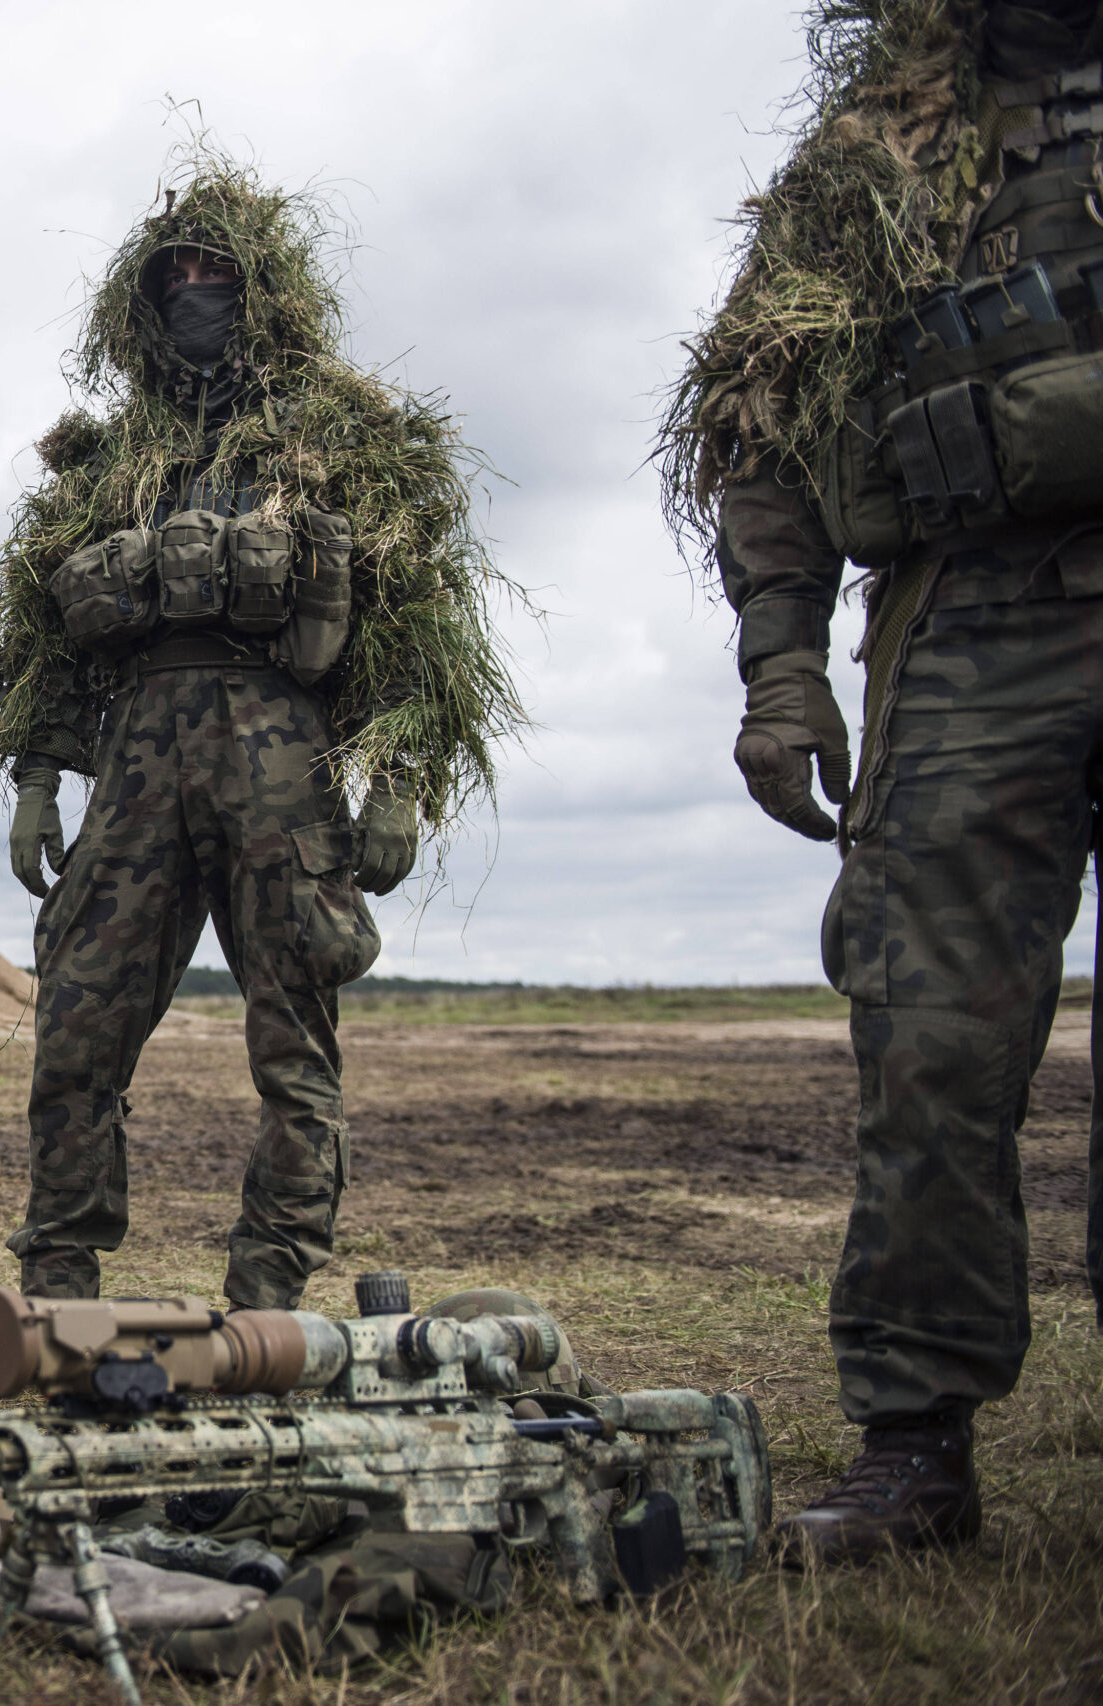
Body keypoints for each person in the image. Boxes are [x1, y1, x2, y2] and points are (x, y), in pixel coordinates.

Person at [663, 0, 1103, 1561]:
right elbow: (764, 422)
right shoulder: (872, 158)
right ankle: (917, 1441)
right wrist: (781, 664)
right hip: (965, 620)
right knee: (925, 1032)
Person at [0, 151, 517, 1313]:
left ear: (261, 290)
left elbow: (416, 618)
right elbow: (41, 634)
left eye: (215, 273)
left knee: (294, 1044)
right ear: (145, 299)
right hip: (135, 766)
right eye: (175, 275)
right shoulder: (109, 463)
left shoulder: (337, 438)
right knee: (76, 1019)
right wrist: (37, 776)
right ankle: (57, 1286)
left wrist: (401, 781)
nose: (194, 292)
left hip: (281, 757)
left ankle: (267, 1295)